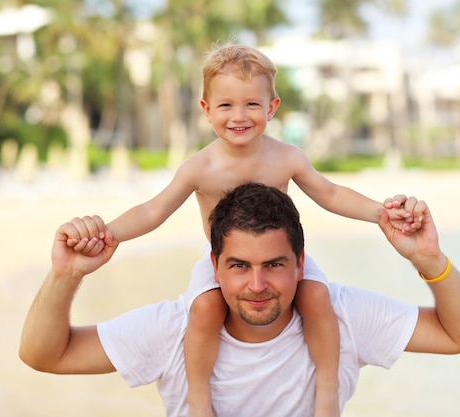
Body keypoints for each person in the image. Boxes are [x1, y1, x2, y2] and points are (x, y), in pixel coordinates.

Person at [63, 44, 420, 417]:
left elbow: (330, 193)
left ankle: (327, 392)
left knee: (317, 298)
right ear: (206, 110)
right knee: (204, 307)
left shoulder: (287, 157)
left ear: (272, 107)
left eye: (252, 104)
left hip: (278, 257)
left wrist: (380, 213)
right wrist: (108, 234)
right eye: (226, 105)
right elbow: (154, 209)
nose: (239, 116)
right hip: (226, 262)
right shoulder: (200, 167)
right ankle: (199, 399)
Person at [19, 182, 460, 417]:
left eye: (275, 265)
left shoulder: (342, 316)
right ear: (215, 264)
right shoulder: (175, 329)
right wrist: (66, 275)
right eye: (240, 266)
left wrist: (429, 258)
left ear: (301, 263)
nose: (257, 284)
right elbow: (44, 355)